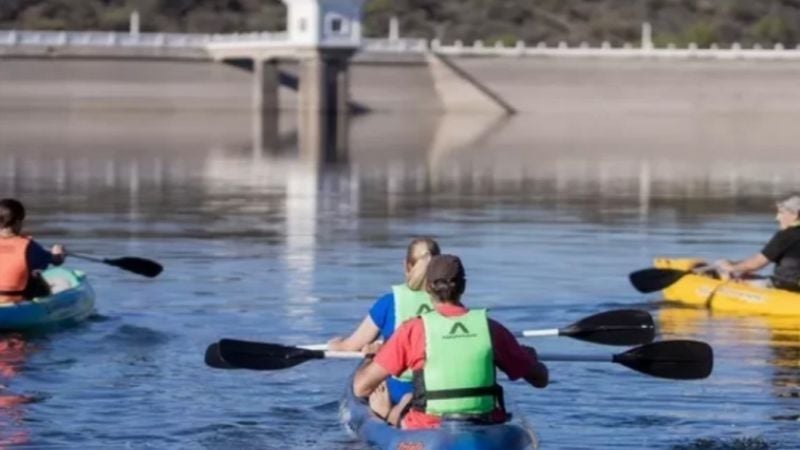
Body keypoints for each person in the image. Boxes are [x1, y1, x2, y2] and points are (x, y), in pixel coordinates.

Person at [353, 254, 549, 429]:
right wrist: (530, 359)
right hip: (484, 426)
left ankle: (388, 414)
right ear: (463, 286)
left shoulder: (412, 330)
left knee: (402, 404)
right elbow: (541, 380)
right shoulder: (491, 329)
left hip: (428, 428)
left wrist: (371, 358)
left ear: (428, 288)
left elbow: (361, 387)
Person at [328, 237, 440, 408]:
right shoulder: (450, 304)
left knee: (364, 373)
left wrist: (336, 344)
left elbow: (351, 345)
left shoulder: (389, 303)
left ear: (406, 266)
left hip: (397, 391)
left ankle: (390, 411)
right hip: (439, 390)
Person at [714, 195, 800, 292]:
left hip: (785, 287)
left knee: (730, 277)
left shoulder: (787, 234)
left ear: (795, 215)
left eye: (781, 213)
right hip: (794, 287)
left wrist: (731, 268)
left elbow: (756, 264)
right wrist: (736, 263)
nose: (777, 218)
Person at [0, 199, 66, 304]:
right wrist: (57, 253)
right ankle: (46, 305)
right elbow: (56, 261)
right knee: (35, 274)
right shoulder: (29, 246)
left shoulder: (29, 246)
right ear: (17, 222)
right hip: (13, 300)